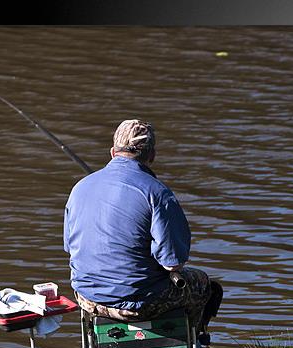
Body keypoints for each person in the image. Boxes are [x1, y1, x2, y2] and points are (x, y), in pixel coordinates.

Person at [63, 119, 221, 332]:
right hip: (138, 305)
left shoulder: (79, 188)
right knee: (204, 285)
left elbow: (69, 247)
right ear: (152, 156)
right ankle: (191, 344)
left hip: (87, 298)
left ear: (112, 152)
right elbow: (173, 263)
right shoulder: (158, 193)